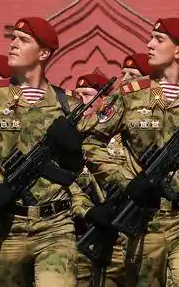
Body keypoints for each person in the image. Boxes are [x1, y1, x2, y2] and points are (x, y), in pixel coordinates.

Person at [0, 17, 86, 286]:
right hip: (8, 225)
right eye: (13, 39)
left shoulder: (68, 104)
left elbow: (89, 163)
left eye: (23, 40)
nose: (13, 45)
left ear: (43, 53)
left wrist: (74, 155)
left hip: (55, 225)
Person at [83, 17, 179, 287]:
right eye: (151, 38)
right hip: (145, 219)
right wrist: (125, 181)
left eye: (159, 39)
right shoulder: (130, 94)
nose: (149, 44)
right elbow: (90, 142)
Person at [72, 70, 127, 287]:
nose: (81, 101)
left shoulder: (122, 140)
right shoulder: (69, 138)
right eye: (78, 96)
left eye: (87, 94)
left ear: (104, 100)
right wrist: (86, 209)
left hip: (120, 237)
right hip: (83, 234)